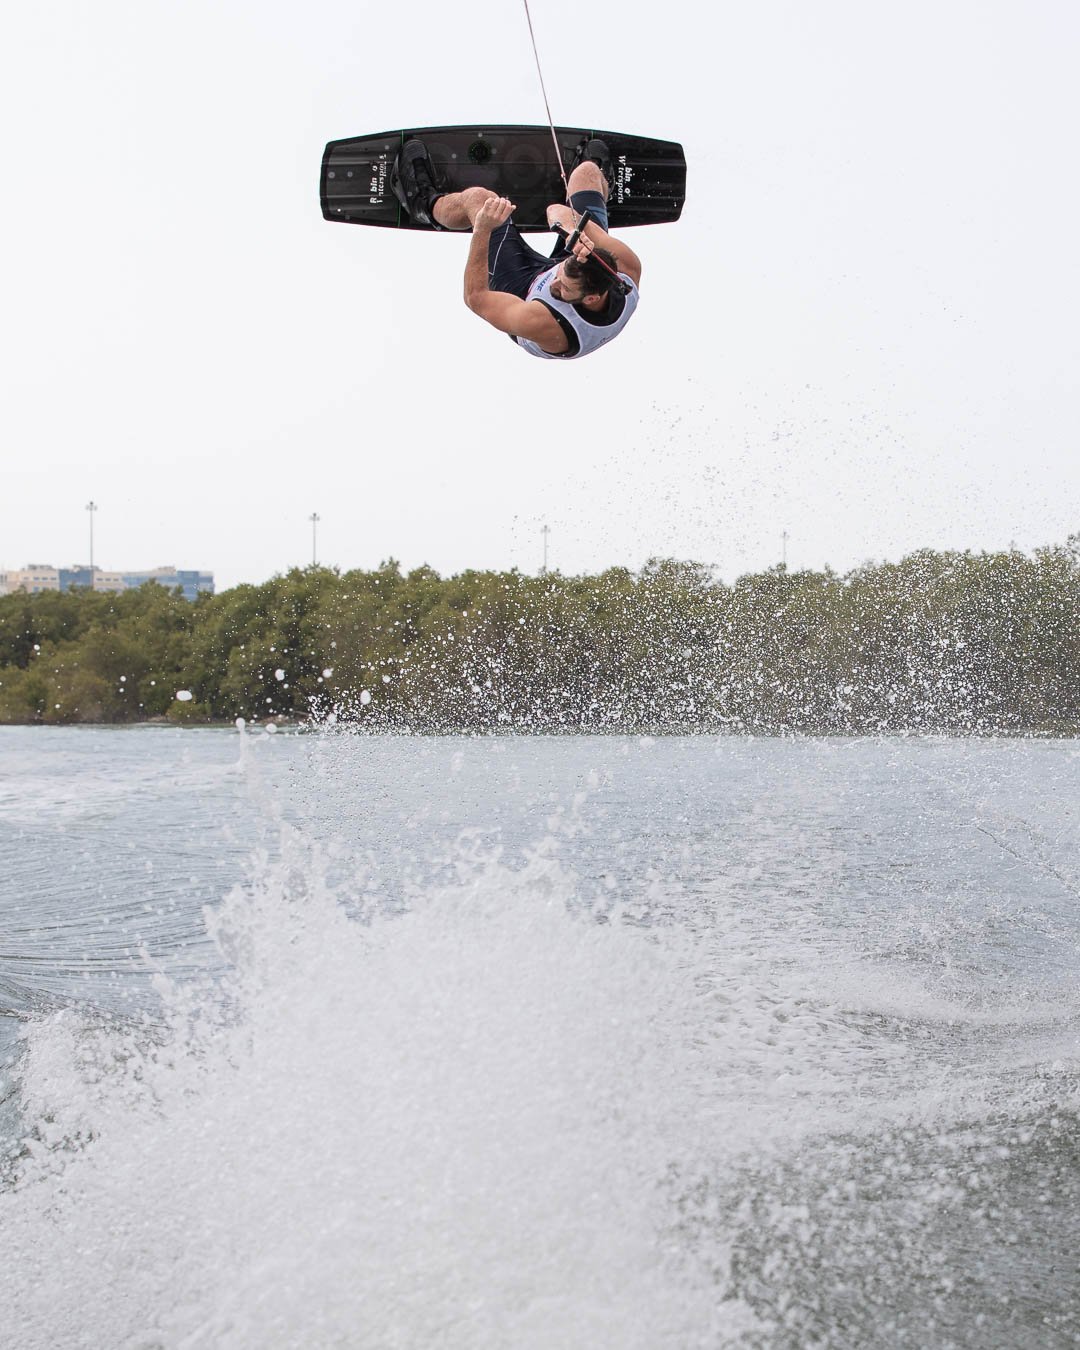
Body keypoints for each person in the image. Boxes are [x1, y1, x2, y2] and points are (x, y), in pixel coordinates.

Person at [392, 138, 641, 359]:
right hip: (579, 271)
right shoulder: (626, 266)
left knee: (480, 200)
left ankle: (423, 204)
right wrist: (569, 230)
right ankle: (602, 191)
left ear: (591, 299)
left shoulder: (542, 322)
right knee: (587, 172)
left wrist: (482, 229)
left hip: (522, 289)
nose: (555, 282)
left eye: (563, 288)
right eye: (561, 275)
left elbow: (475, 298)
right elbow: (554, 211)